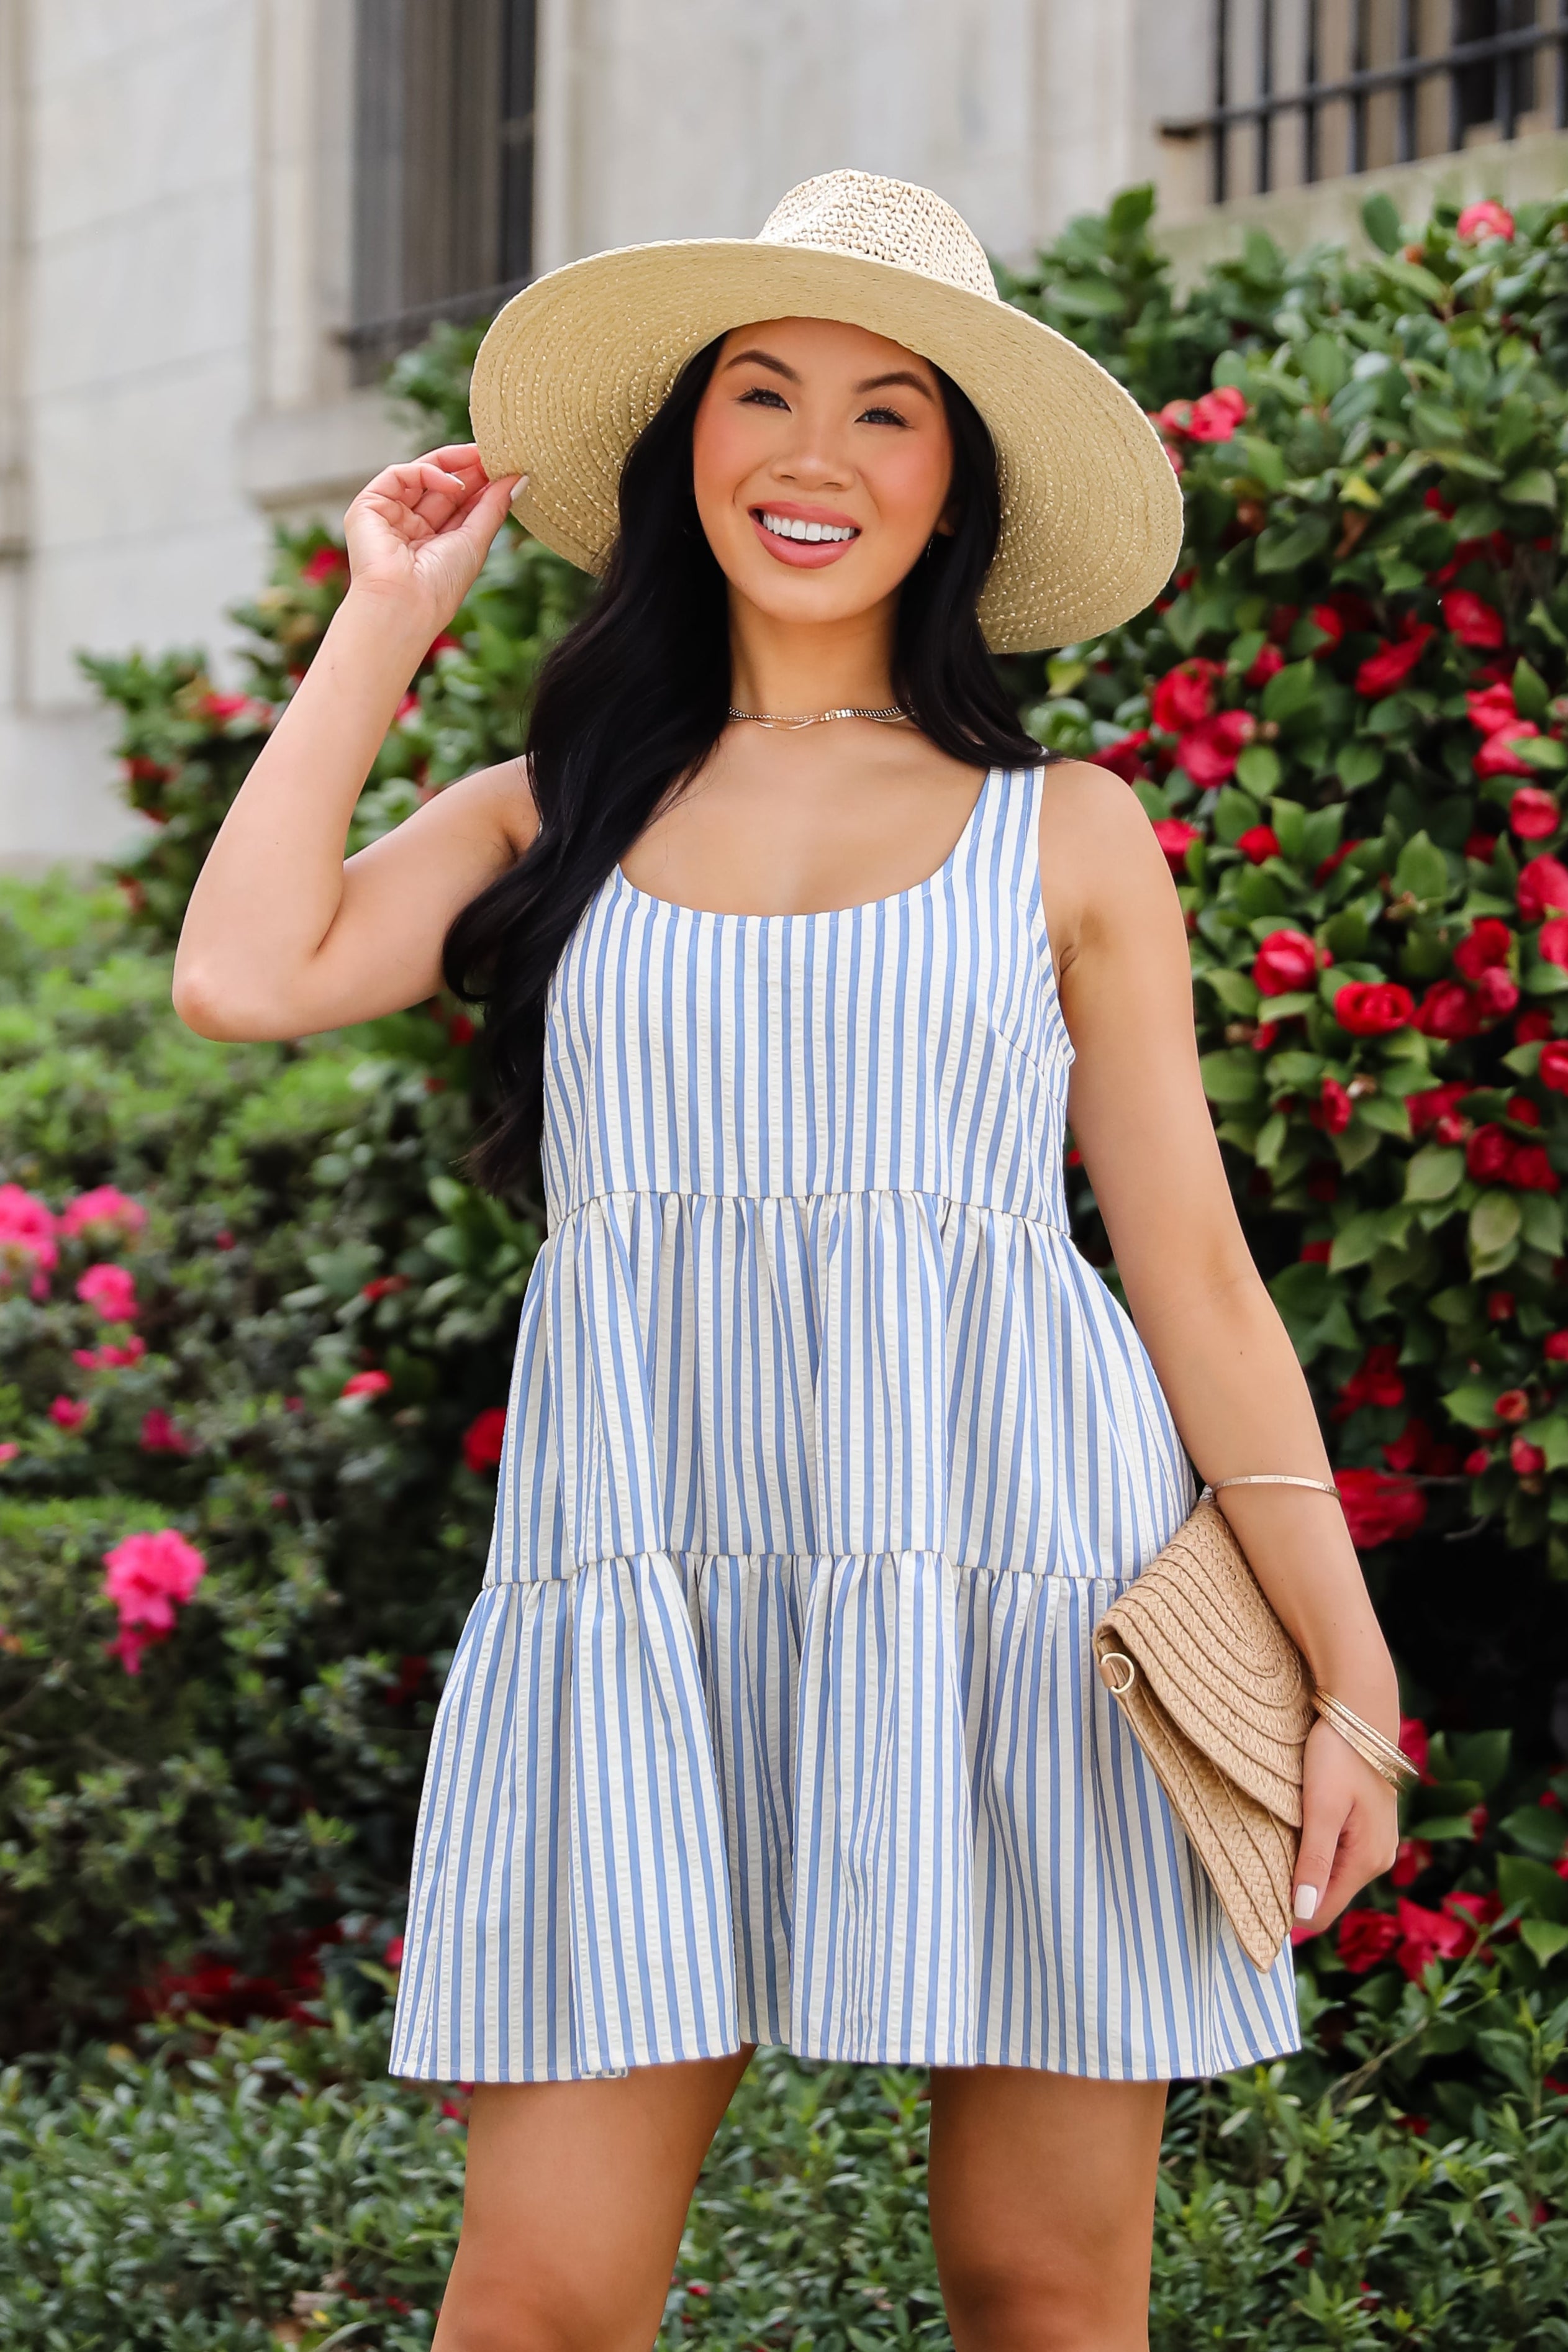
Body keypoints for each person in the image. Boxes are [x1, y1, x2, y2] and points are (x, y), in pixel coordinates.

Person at [173, 171, 1400, 2352]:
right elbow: (247, 971)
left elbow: (1196, 1278)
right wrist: (387, 611)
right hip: (641, 1589)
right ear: (687, 446)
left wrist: (1352, 1675)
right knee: (538, 2294)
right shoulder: (558, 808)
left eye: (889, 412)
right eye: (764, 392)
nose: (815, 457)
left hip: (1024, 1594)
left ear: (959, 489)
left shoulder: (1071, 832)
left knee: (1043, 2290)